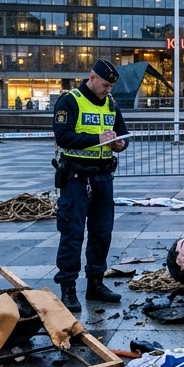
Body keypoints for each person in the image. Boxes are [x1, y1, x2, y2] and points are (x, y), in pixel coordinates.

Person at [51, 60, 128, 311]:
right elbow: (63, 136)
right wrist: (97, 139)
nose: (108, 90)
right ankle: (68, 288)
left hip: (103, 177)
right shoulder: (69, 101)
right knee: (72, 233)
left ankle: (95, 282)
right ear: (91, 77)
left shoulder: (111, 104)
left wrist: (119, 144)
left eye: (111, 86)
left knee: (102, 232)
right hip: (76, 177)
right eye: (105, 85)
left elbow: (122, 132)